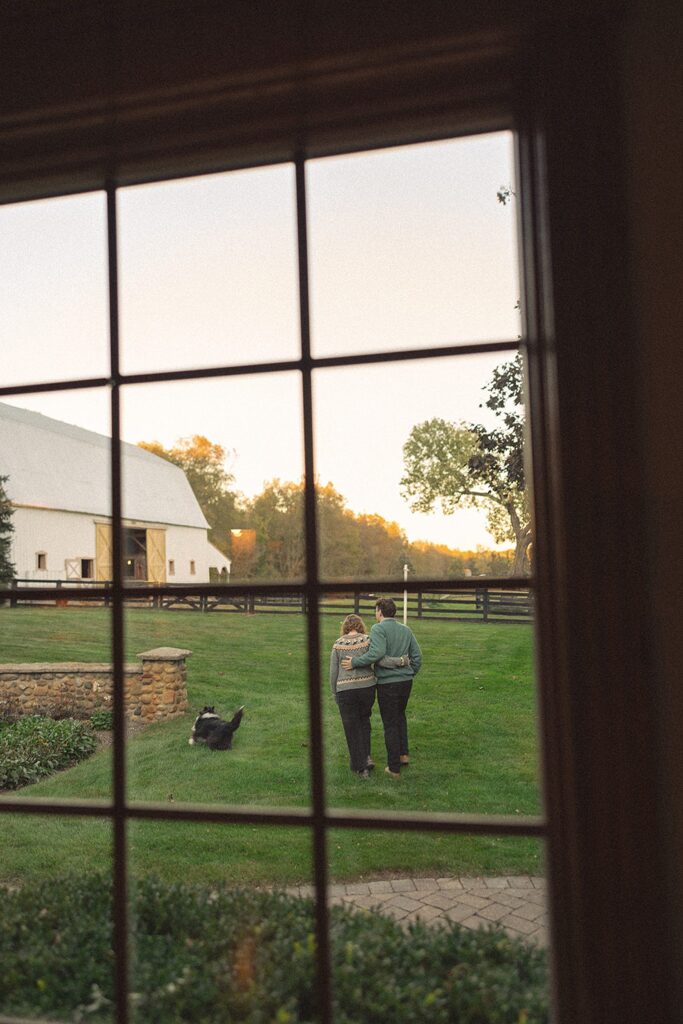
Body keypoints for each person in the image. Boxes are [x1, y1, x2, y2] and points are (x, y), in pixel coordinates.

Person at [341, 597, 422, 779]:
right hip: (406, 682)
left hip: (388, 684)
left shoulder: (378, 629)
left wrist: (355, 662)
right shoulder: (406, 629)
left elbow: (376, 654)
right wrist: (408, 673)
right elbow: (417, 657)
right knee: (400, 716)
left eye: (376, 611)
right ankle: (403, 754)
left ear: (380, 611)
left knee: (390, 724)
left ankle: (393, 768)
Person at [330, 613, 407, 779]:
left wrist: (335, 693)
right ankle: (367, 757)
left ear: (345, 627)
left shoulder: (338, 644)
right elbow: (379, 659)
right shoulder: (367, 640)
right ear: (360, 626)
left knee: (351, 727)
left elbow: (333, 672)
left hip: (346, 690)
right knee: (364, 721)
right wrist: (401, 661)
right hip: (367, 688)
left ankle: (360, 766)